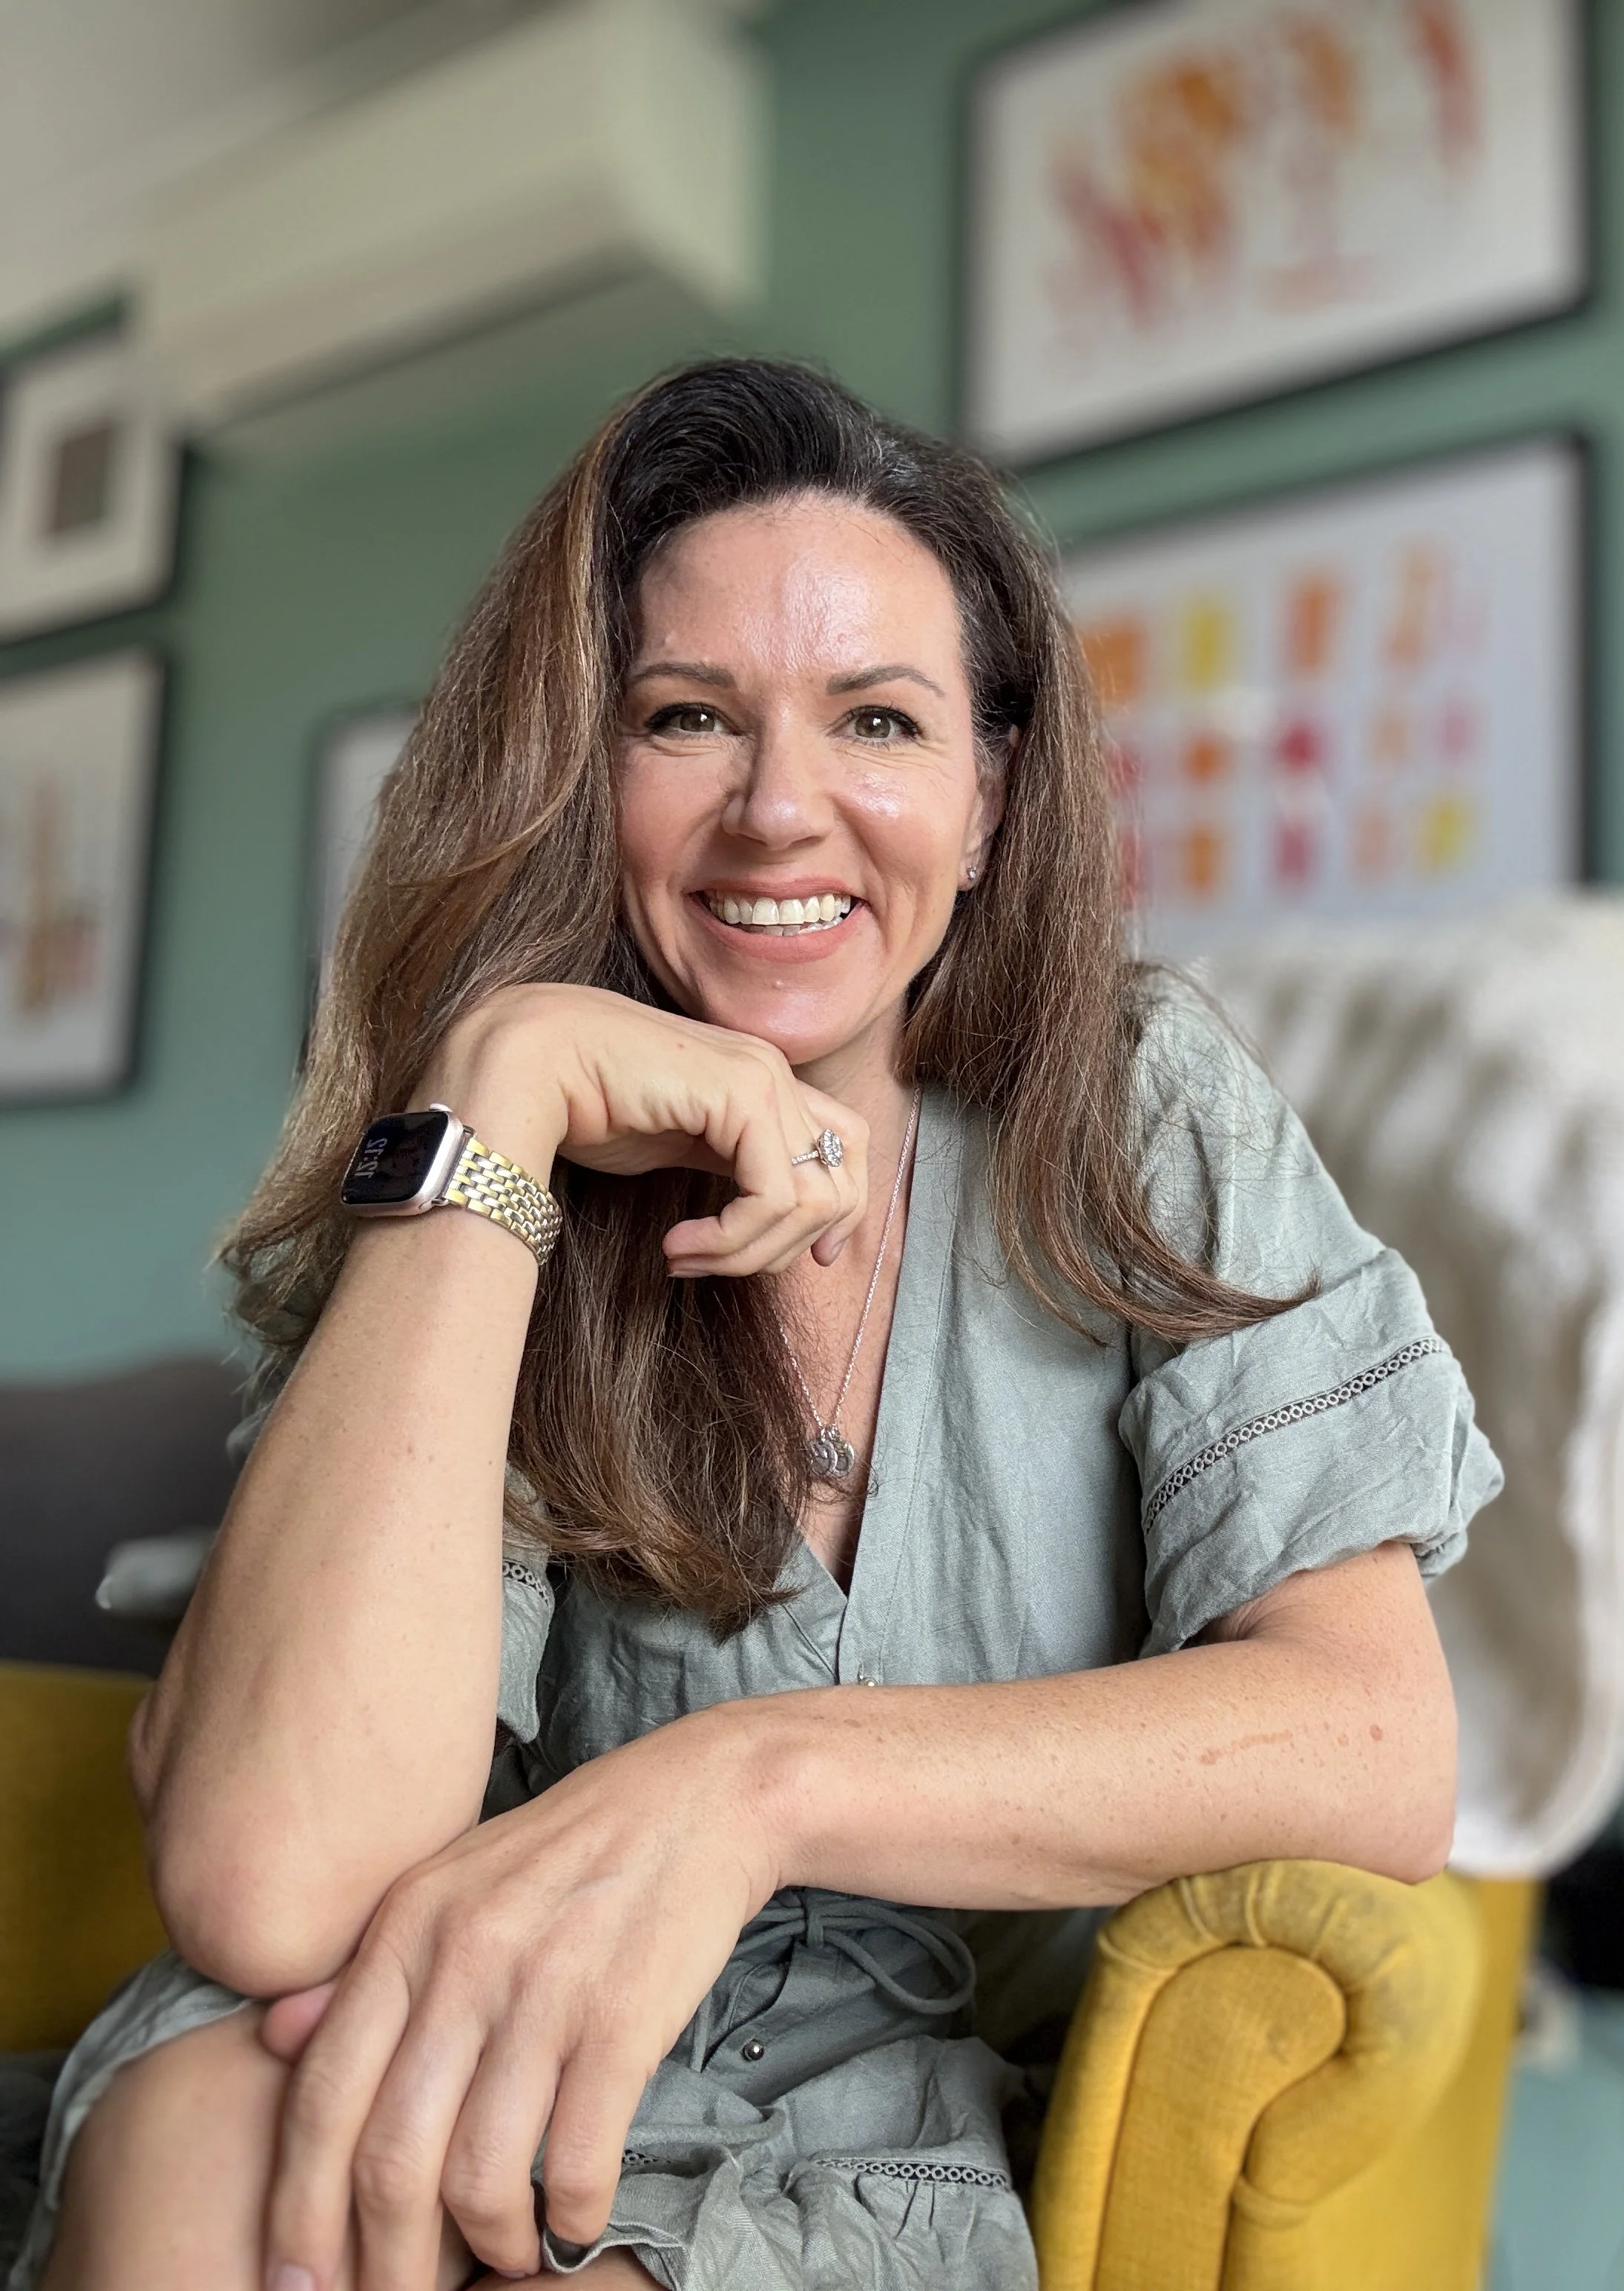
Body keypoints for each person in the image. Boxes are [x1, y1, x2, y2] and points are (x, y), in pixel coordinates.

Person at [15, 360, 1499, 2291]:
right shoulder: (473, 1166)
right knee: (215, 2133)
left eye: (875, 720)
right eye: (684, 718)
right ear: (577, 771)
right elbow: (274, 1874)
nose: (778, 810)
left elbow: (1372, 1738)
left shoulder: (1137, 1110)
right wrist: (506, 1074)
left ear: (987, 795)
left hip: (877, 2111)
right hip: (451, 1998)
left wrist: (744, 1781)